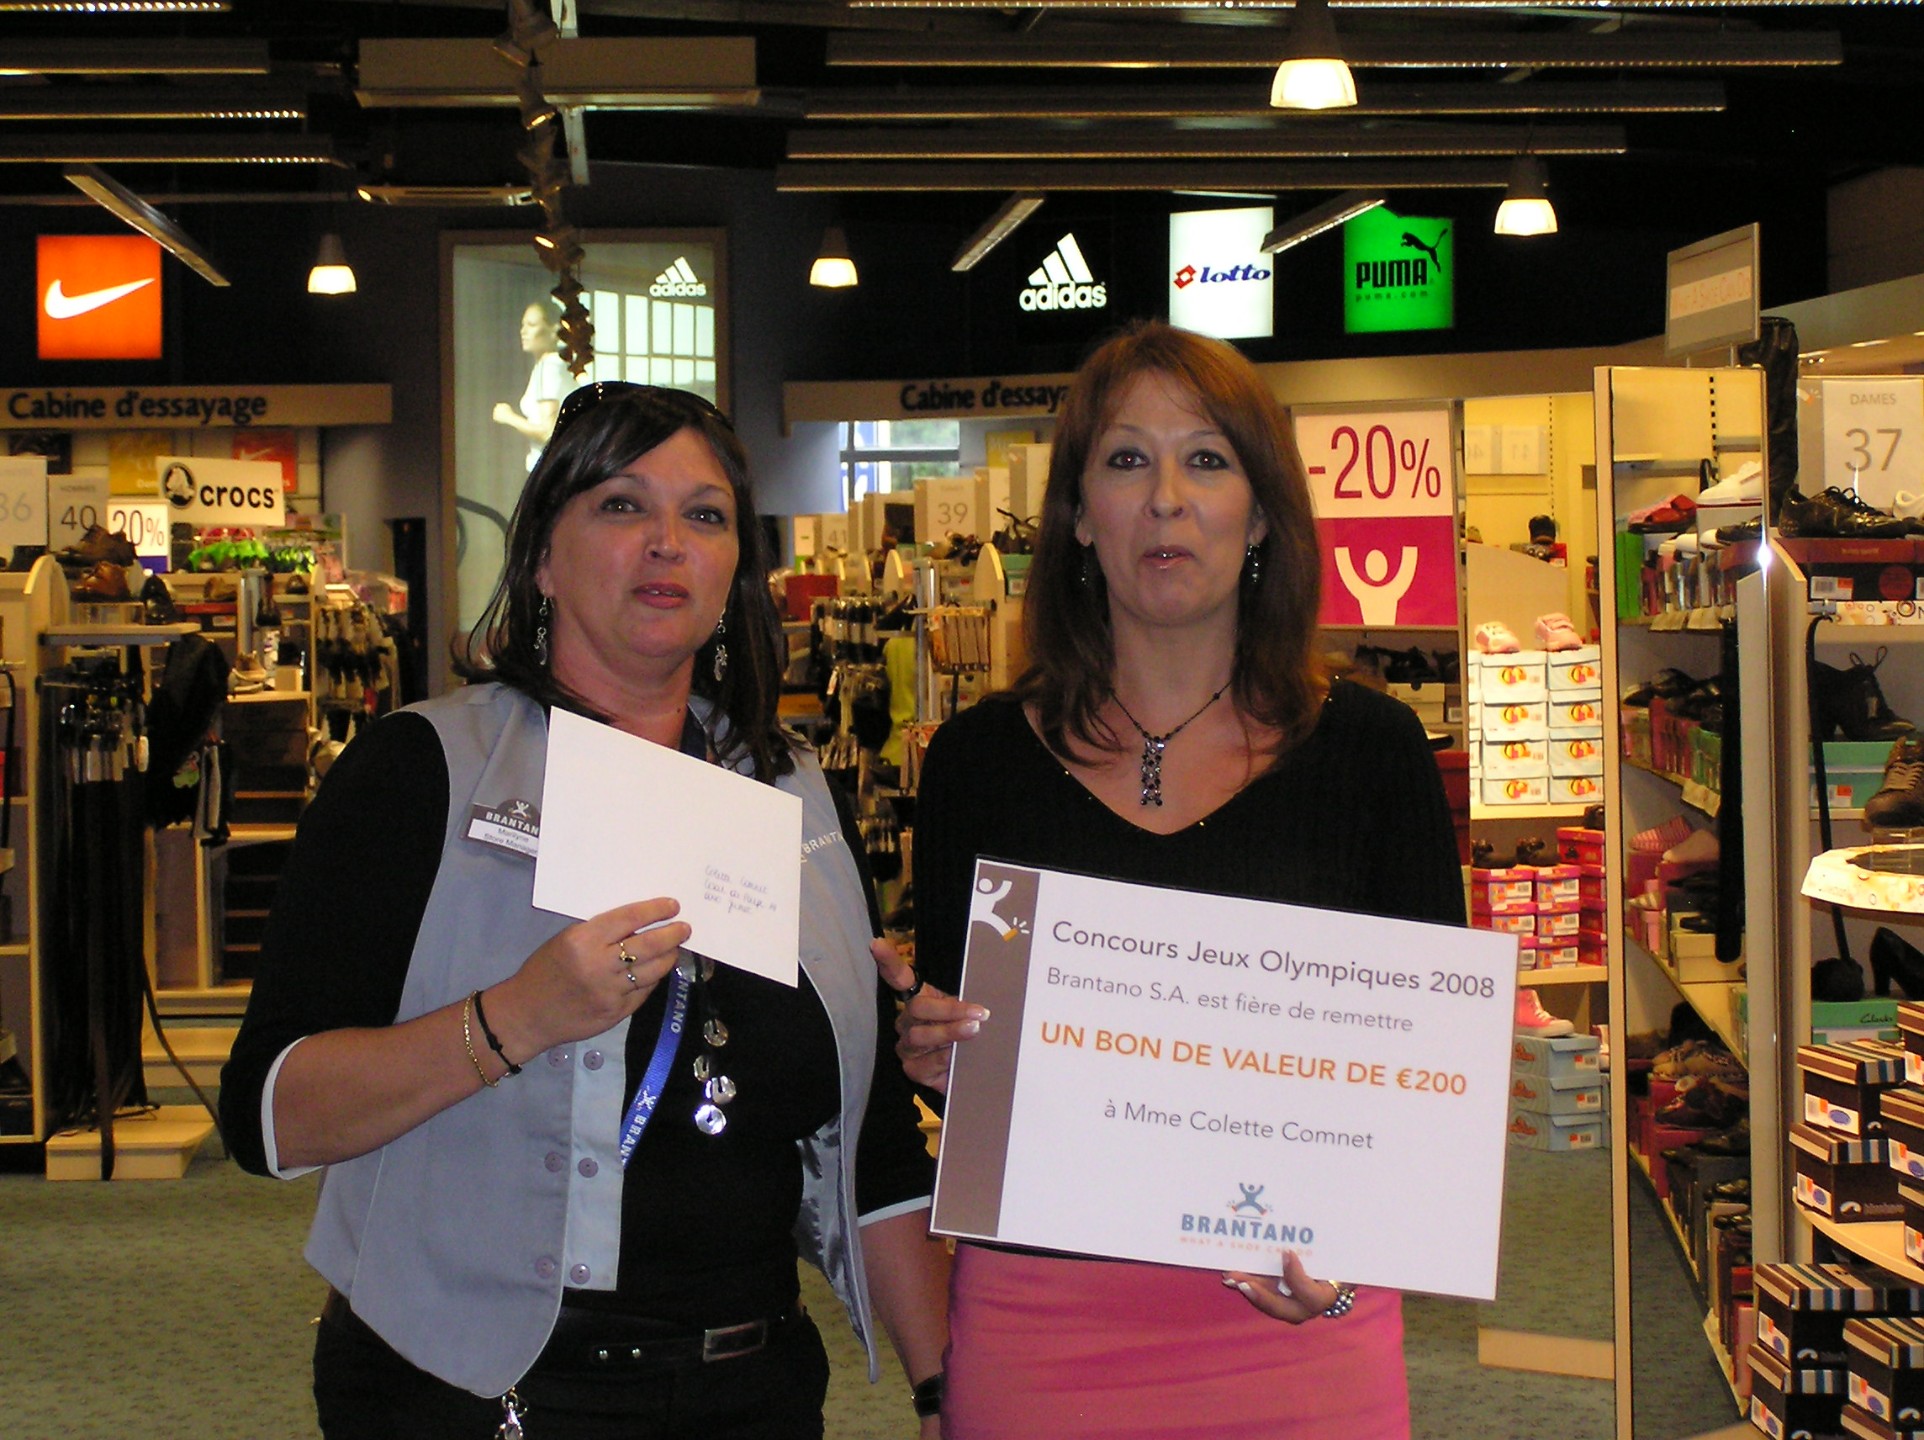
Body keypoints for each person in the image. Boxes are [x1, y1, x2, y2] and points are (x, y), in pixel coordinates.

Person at [222, 382, 950, 1439]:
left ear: (735, 567)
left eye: (705, 515)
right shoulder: (422, 772)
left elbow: (871, 1140)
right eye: (621, 505)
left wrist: (941, 1391)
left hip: (749, 1391)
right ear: (542, 561)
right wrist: (512, 1019)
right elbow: (268, 1114)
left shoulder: (791, 792)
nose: (667, 543)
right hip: (475, 1397)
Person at [879, 321, 1465, 1439]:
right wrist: (935, 1053)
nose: (1165, 500)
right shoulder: (977, 763)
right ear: (1077, 516)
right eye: (1125, 460)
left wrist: (1349, 1270)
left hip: (1294, 1332)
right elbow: (981, 1079)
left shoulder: (1372, 754)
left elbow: (1431, 1095)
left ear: (1263, 513)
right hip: (1041, 1326)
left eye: (1206, 459)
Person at [494, 301, 571, 472]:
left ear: (554, 331)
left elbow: (548, 433)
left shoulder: (549, 367)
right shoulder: (549, 365)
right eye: (523, 325)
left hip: (551, 471)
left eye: (532, 325)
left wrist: (508, 417)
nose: (523, 331)